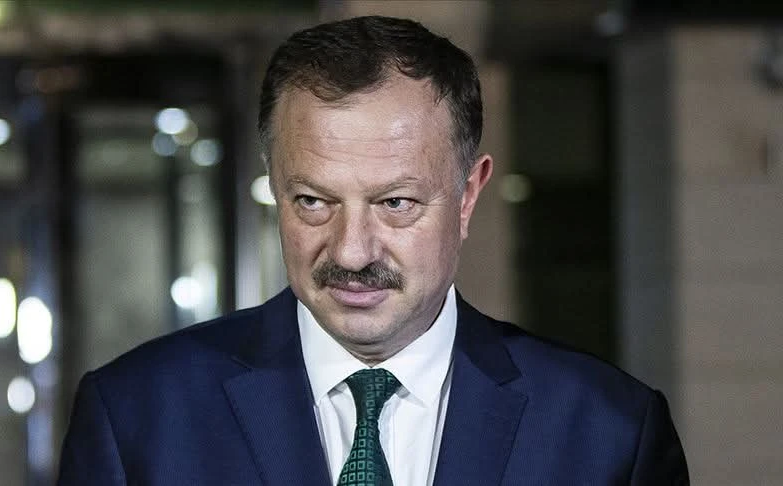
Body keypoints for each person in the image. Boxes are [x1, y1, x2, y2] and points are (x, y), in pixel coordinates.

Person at [59, 16, 688, 485]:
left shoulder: (608, 434)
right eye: (313, 201)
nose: (353, 252)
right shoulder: (136, 419)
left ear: (468, 196)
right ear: (274, 187)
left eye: (395, 203)